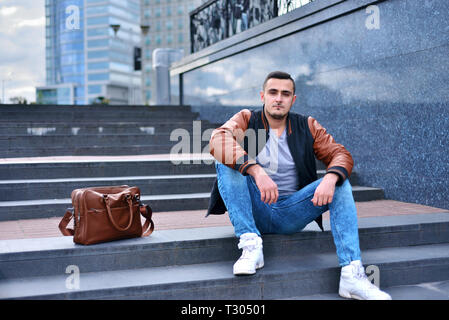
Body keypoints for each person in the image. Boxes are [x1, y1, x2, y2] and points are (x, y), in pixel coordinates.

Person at [206, 71, 391, 300]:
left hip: (293, 211)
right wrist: (255, 169)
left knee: (340, 183)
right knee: (226, 162)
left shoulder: (307, 125)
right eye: (273, 92)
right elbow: (218, 138)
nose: (278, 98)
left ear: (293, 99)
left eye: (285, 94)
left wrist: (330, 178)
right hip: (256, 209)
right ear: (262, 96)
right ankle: (251, 245)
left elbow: (340, 154)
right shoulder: (247, 119)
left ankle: (351, 274)